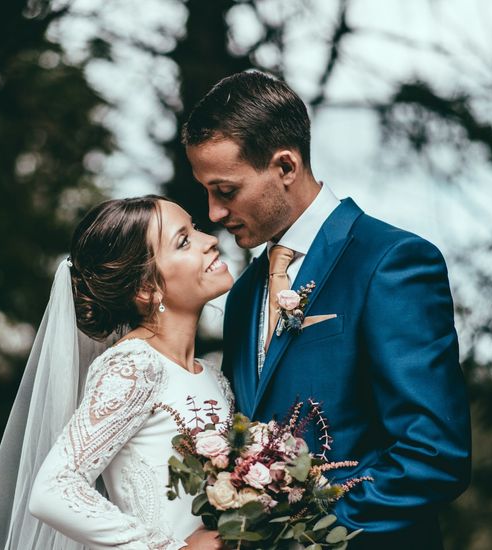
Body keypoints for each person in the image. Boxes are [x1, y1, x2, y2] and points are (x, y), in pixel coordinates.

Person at [182, 70, 471, 550]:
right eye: (207, 191)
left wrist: (295, 536)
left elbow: (433, 455)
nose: (212, 213)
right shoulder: (243, 293)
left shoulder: (390, 262)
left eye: (226, 191)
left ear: (286, 167)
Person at [0, 196, 233, 549]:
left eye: (195, 229)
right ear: (146, 289)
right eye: (183, 240)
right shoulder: (135, 366)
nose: (209, 240)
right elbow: (53, 488)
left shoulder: (214, 377)